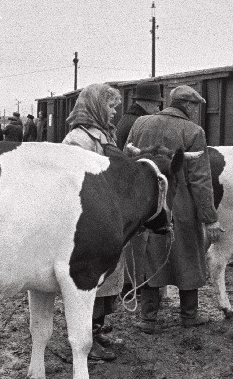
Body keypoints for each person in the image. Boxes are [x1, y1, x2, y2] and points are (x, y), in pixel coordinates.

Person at [126, 85, 224, 333]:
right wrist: (210, 218)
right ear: (189, 105)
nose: (196, 111)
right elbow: (200, 179)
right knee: (187, 255)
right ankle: (189, 316)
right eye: (195, 106)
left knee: (151, 255)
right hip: (181, 204)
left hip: (149, 204)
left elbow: (129, 162)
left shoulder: (141, 123)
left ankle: (148, 318)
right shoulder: (193, 131)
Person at [62, 83, 123, 361]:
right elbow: (76, 179)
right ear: (97, 107)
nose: (114, 112)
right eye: (110, 106)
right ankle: (85, 339)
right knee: (89, 285)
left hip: (105, 217)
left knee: (104, 283)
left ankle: (95, 331)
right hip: (88, 221)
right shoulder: (78, 139)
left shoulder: (104, 135)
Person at [115, 82, 163, 151]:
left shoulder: (126, 117)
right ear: (148, 104)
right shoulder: (140, 123)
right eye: (157, 106)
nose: (158, 110)